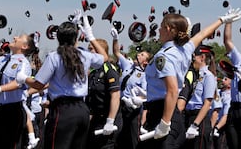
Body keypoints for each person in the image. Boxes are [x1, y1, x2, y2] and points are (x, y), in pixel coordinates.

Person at [141, 8, 241, 149]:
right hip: (170, 112)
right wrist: (221, 20)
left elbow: (172, 91)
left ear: (169, 29)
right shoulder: (183, 50)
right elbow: (202, 34)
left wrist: (164, 123)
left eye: (161, 27)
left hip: (163, 113)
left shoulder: (164, 56)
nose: (158, 30)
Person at [16, 13, 109, 149]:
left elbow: (39, 84)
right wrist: (90, 36)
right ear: (75, 38)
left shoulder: (54, 57)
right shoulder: (85, 55)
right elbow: (104, 57)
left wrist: (24, 79)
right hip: (82, 110)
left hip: (62, 110)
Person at [111, 28, 151, 149]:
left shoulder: (144, 75)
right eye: (139, 53)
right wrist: (115, 39)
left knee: (133, 138)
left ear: (145, 62)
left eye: (142, 55)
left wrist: (135, 100)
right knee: (119, 136)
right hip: (121, 105)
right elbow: (117, 52)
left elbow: (145, 94)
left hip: (133, 109)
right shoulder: (128, 65)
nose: (138, 54)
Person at [86, 38, 122, 149]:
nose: (89, 52)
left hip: (108, 120)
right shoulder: (93, 72)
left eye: (91, 49)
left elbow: (115, 95)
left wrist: (110, 121)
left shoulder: (109, 69)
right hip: (96, 119)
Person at [182, 45, 217, 149]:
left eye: (194, 57)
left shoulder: (208, 76)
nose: (192, 60)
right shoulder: (192, 74)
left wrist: (195, 125)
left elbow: (207, 104)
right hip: (187, 116)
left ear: (202, 57)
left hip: (199, 119)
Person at [211, 76, 231, 149]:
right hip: (212, 125)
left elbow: (226, 115)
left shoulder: (229, 96)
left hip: (220, 127)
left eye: (226, 79)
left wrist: (216, 128)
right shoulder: (218, 92)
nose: (222, 80)